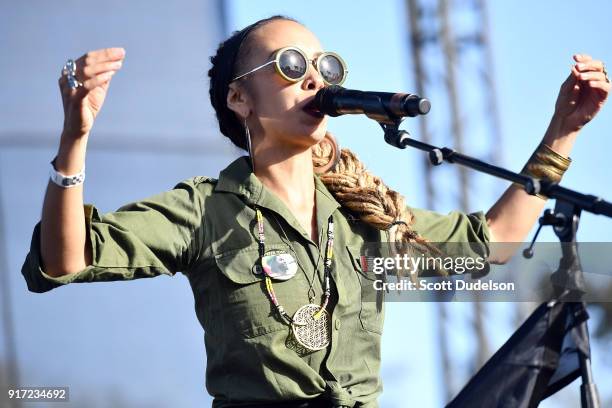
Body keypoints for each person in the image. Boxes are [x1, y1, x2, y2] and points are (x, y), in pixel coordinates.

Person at [21, 15, 609, 408]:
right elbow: (65, 256)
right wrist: (74, 138)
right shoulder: (206, 208)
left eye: (325, 67)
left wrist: (563, 132)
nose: (314, 80)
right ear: (239, 98)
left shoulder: (366, 216)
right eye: (291, 66)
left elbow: (489, 248)